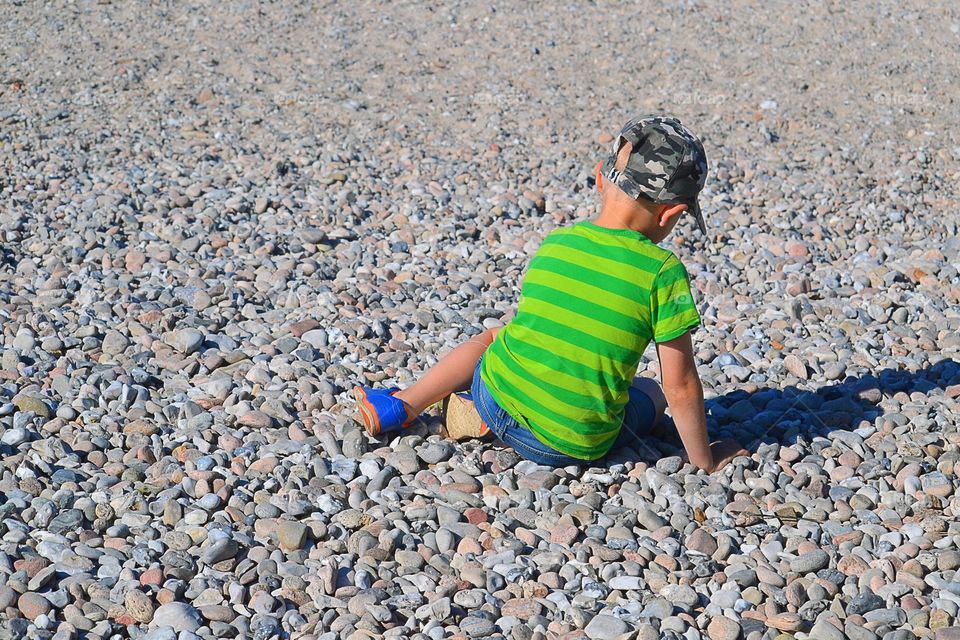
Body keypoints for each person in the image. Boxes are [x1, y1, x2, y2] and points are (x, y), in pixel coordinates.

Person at [354, 115, 747, 473]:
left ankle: (404, 404)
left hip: (494, 393)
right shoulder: (663, 273)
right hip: (564, 447)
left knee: (495, 337)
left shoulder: (557, 242)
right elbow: (680, 385)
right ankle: (501, 418)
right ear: (671, 214)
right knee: (652, 392)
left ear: (600, 178)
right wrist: (705, 460)